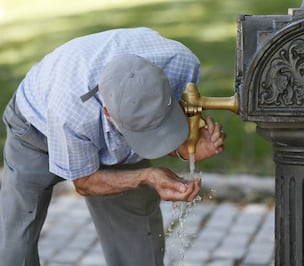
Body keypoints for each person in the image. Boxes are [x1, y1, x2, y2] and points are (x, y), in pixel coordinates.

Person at [0, 28, 225, 266]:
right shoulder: (71, 114)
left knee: (137, 235)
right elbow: (85, 182)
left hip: (90, 110)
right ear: (107, 113)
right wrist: (146, 176)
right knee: (16, 240)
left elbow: (164, 120)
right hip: (36, 130)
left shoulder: (180, 65)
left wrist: (186, 146)